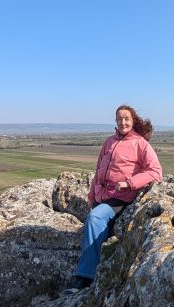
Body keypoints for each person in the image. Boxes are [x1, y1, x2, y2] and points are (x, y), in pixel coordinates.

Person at [70, 104, 163, 290]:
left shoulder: (140, 143)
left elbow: (155, 171)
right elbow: (98, 171)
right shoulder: (109, 142)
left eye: (126, 118)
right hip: (101, 194)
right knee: (94, 221)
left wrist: (130, 182)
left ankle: (84, 278)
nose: (123, 122)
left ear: (133, 120)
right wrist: (91, 195)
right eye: (119, 119)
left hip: (120, 197)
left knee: (95, 218)